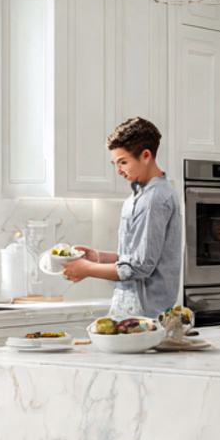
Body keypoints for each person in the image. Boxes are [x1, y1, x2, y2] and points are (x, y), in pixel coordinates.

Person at [62, 116, 182, 320]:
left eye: (123, 162)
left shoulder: (155, 199)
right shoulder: (139, 196)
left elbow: (140, 268)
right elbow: (135, 258)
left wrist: (87, 269)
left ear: (145, 156)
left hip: (146, 319)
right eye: (115, 163)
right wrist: (98, 257)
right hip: (130, 313)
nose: (118, 171)